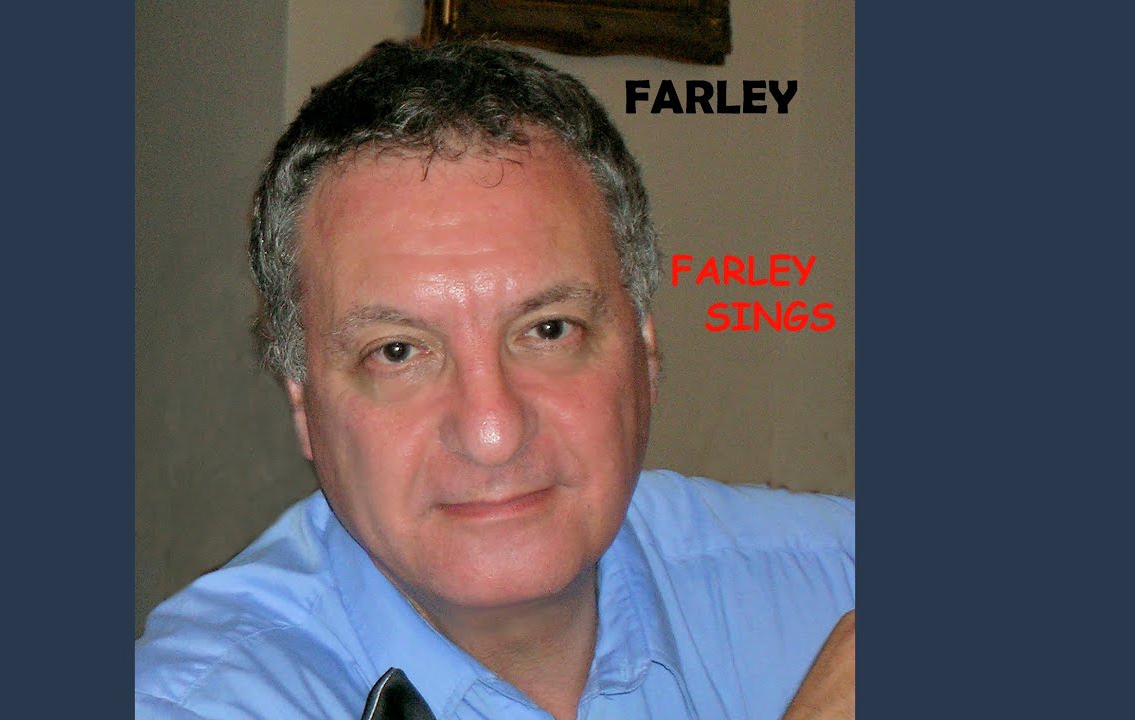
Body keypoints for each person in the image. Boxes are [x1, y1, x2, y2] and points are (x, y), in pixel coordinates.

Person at [135, 40, 855, 720]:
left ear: (645, 350)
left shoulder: (836, 581)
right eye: (398, 352)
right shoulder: (195, 703)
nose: (492, 432)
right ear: (303, 402)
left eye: (549, 330)